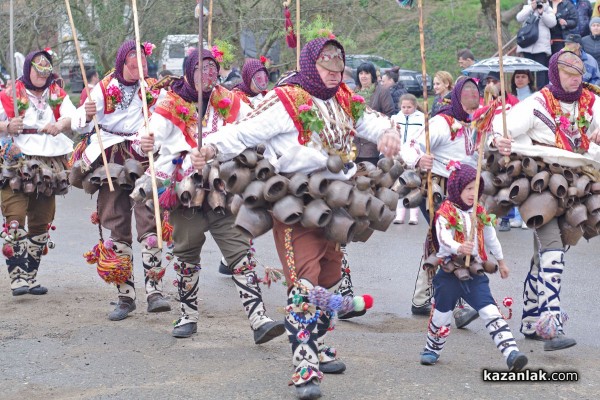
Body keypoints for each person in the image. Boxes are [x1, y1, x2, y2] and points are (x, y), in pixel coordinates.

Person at [190, 37, 400, 400]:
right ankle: (304, 363)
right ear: (309, 65)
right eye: (326, 67)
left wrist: (390, 135)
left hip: (336, 198)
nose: (334, 75)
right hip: (295, 200)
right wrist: (210, 147)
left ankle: (319, 344)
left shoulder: (346, 100)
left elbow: (374, 123)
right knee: (305, 281)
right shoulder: (287, 99)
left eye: (338, 68)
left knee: (330, 276)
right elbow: (244, 131)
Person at [136, 48, 285, 343]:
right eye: (201, 70)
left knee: (239, 248)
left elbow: (252, 123)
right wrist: (145, 140)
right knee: (186, 251)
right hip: (185, 190)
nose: (208, 76)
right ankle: (188, 315)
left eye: (212, 70)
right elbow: (149, 134)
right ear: (189, 71)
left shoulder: (228, 100)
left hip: (222, 186)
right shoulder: (171, 102)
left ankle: (259, 319)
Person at [491, 50, 600, 351]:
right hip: (540, 185)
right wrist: (499, 140)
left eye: (578, 72)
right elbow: (499, 131)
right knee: (552, 252)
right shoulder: (537, 103)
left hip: (578, 186)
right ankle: (551, 324)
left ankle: (528, 319)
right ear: (555, 74)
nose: (574, 77)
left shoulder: (592, 105)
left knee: (547, 255)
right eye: (567, 72)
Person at [71, 39, 171, 321]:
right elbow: (81, 121)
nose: (139, 66)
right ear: (122, 63)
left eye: (142, 60)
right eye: (133, 61)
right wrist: (87, 115)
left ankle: (155, 291)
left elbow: (165, 118)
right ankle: (125, 297)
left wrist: (155, 137)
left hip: (142, 155)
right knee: (116, 224)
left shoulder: (152, 89)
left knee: (151, 223)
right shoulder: (103, 88)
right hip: (111, 155)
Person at [418, 163, 529, 372]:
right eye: (468, 188)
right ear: (457, 187)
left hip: (475, 272)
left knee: (490, 311)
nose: (472, 193)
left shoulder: (479, 210)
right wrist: (459, 246)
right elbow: (442, 239)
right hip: (450, 273)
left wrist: (502, 261)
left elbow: (490, 236)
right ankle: (432, 349)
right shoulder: (445, 211)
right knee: (442, 315)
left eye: (476, 188)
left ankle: (511, 352)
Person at [401, 78, 481, 328]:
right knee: (450, 242)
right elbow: (410, 146)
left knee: (437, 242)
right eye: (466, 97)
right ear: (456, 97)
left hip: (463, 192)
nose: (470, 103)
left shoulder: (476, 124)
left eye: (474, 98)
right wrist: (418, 160)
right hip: (436, 190)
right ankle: (456, 306)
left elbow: (480, 155)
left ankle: (421, 298)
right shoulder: (441, 122)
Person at [0, 49, 75, 296]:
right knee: (15, 215)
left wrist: (60, 124)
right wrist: (7, 125)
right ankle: (17, 277)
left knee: (42, 220)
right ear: (28, 69)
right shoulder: (10, 94)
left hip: (49, 163)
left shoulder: (57, 94)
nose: (41, 76)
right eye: (36, 71)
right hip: (16, 158)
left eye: (45, 72)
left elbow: (72, 117)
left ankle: (30, 277)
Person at [354, 62, 395, 164]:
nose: (363, 76)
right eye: (361, 73)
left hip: (373, 145)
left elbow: (389, 113)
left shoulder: (381, 91)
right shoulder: (352, 92)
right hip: (355, 146)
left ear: (372, 75)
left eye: (366, 73)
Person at [392, 93, 423, 225]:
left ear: (415, 106)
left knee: (414, 185)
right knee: (399, 185)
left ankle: (414, 216)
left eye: (409, 107)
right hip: (399, 155)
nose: (406, 109)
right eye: (403, 107)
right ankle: (399, 215)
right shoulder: (395, 118)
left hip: (415, 155)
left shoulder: (422, 118)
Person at [516, 1, 557, 88]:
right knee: (527, 71)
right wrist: (531, 8)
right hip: (527, 44)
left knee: (541, 71)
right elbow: (519, 18)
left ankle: (540, 91)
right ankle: (529, 91)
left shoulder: (548, 9)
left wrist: (542, 13)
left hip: (541, 46)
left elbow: (552, 23)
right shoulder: (527, 7)